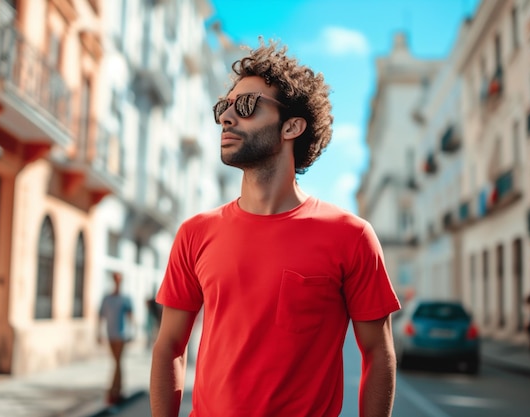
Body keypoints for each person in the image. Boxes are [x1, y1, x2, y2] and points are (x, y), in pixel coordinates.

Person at [150, 38, 401, 417]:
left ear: (292, 127)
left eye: (247, 105)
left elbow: (378, 354)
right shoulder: (195, 233)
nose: (226, 117)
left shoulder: (351, 236)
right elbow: (169, 346)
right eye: (224, 107)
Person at [98, 271, 134, 405]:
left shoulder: (125, 298)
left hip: (122, 334)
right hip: (110, 333)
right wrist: (99, 333)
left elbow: (130, 316)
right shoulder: (107, 298)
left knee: (118, 361)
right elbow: (101, 315)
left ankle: (114, 391)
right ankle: (117, 389)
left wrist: (132, 332)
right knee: (116, 362)